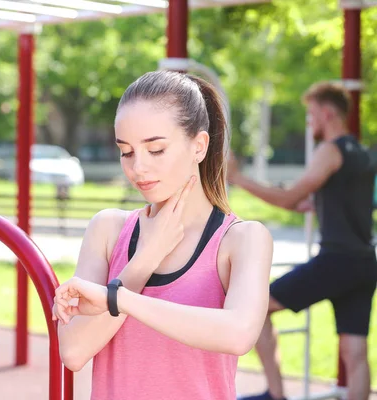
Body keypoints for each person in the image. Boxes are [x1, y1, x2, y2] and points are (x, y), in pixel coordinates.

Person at [51, 70, 274, 400]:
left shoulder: (241, 240)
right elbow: (73, 352)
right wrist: (144, 260)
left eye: (155, 150)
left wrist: (117, 297)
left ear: (199, 146)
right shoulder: (109, 230)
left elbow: (239, 333)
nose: (137, 168)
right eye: (126, 152)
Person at [228, 81, 377, 400]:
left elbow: (289, 199)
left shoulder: (330, 151)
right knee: (355, 351)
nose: (309, 122)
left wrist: (238, 178)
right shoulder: (362, 155)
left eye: (311, 115)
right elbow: (334, 201)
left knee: (259, 306)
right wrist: (310, 201)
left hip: (337, 261)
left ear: (326, 113)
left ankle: (276, 395)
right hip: (365, 262)